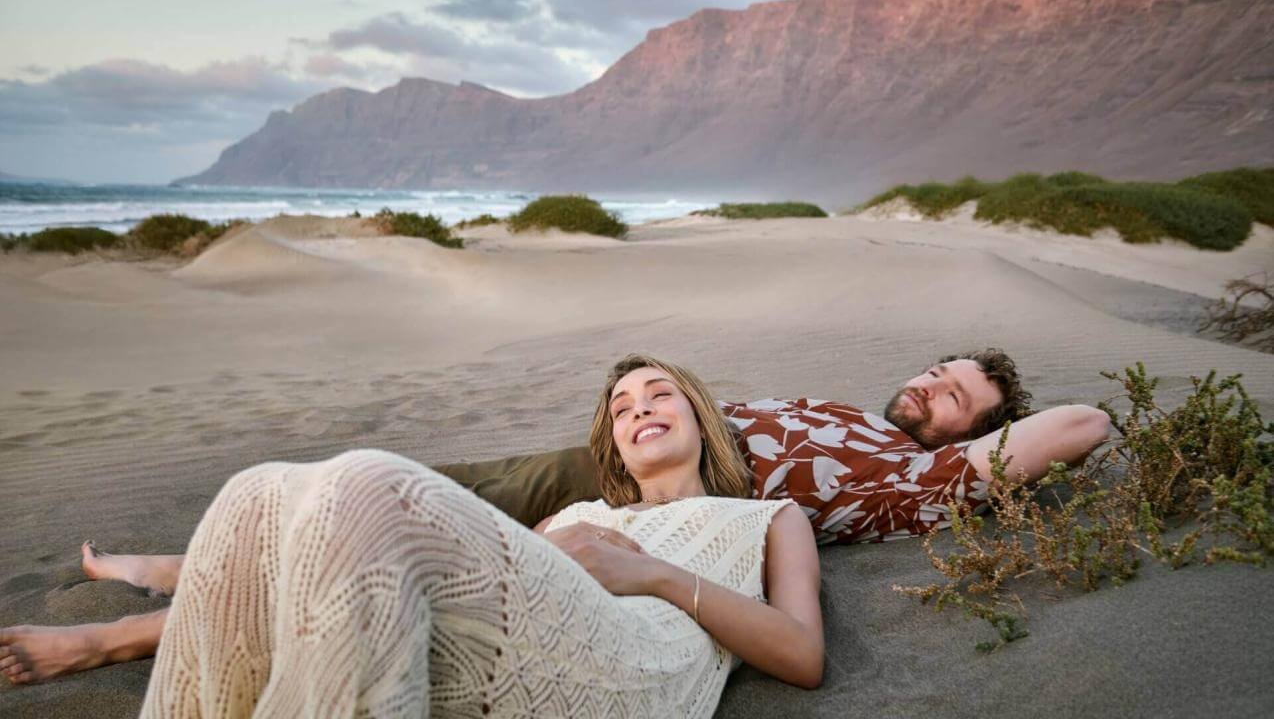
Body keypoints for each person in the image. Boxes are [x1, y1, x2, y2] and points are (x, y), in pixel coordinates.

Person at [1, 349, 1111, 686]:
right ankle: (182, 581)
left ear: (974, 430)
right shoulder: (835, 411)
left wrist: (974, 443)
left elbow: (1081, 422)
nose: (927, 385)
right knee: (317, 497)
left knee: (372, 499)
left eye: (953, 391)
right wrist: (647, 417)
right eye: (930, 369)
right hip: (599, 495)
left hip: (640, 558)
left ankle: (129, 613)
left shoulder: (904, 477)